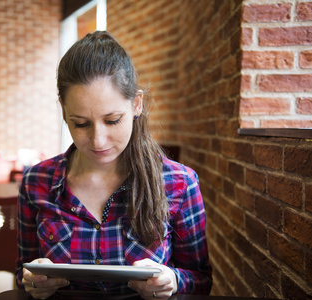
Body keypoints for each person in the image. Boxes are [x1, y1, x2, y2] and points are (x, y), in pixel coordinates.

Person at [15, 31, 212, 300]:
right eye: (80, 123)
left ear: (136, 104)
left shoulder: (179, 182)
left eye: (112, 120)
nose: (98, 140)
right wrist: (34, 281)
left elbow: (200, 278)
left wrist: (173, 280)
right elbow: (22, 273)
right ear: (64, 111)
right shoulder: (36, 182)